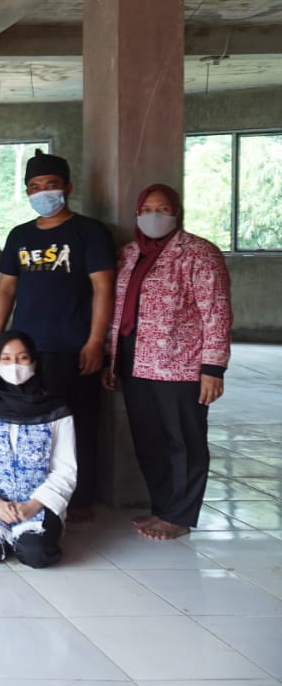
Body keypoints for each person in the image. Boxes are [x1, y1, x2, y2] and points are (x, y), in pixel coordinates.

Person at [103, 183, 232, 540]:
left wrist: (213, 368)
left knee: (184, 441)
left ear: (177, 213)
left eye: (163, 209)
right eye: (147, 209)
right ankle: (162, 507)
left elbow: (217, 313)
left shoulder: (199, 253)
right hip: (134, 363)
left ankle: (180, 515)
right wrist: (110, 359)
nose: (154, 216)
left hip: (181, 365)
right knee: (150, 440)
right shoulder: (128, 254)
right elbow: (117, 311)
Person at [0, 150, 114, 522]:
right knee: (29, 424)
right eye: (35, 187)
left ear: (67, 188)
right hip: (27, 352)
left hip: (72, 347)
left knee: (77, 426)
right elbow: (5, 291)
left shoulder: (88, 232)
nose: (43, 192)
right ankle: (34, 494)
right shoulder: (20, 235)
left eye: (51, 185)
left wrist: (95, 341)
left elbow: (104, 289)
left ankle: (78, 502)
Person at [0, 330, 76, 568]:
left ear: (34, 361)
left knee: (36, 554)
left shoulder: (57, 410)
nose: (15, 365)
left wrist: (34, 504)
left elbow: (65, 469)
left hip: (38, 501)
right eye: (6, 359)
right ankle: (3, 531)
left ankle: (27, 535)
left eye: (23, 358)